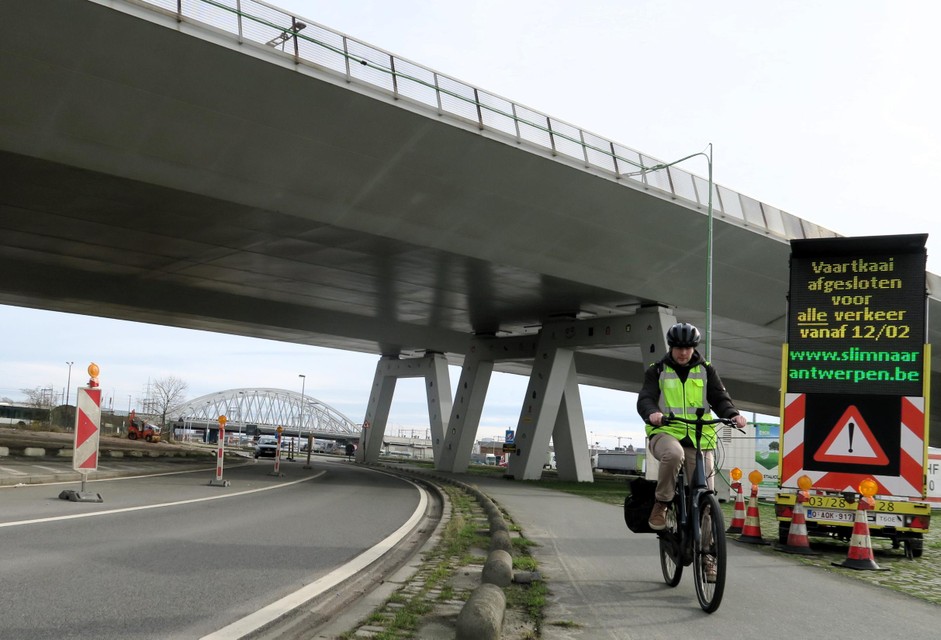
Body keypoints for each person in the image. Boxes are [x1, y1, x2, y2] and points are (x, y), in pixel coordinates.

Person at [636, 322, 747, 533]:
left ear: (694, 347)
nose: (684, 352)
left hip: (700, 439)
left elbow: (720, 399)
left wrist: (733, 414)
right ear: (671, 347)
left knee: (706, 499)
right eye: (679, 348)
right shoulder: (657, 371)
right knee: (674, 454)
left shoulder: (706, 370)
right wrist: (652, 414)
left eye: (688, 348)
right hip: (666, 433)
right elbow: (646, 398)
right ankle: (662, 503)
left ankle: (708, 556)